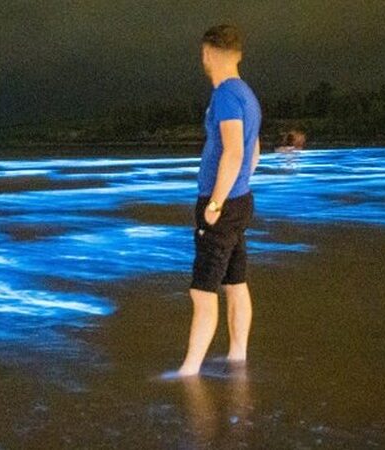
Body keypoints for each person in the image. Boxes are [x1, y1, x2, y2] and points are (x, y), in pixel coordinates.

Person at [175, 24, 262, 377]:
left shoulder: (226, 94)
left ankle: (188, 372)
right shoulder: (247, 95)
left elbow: (234, 150)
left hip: (222, 204)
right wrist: (239, 187)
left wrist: (215, 204)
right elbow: (253, 151)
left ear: (209, 53)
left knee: (203, 291)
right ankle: (237, 358)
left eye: (203, 54)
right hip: (240, 201)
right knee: (235, 284)